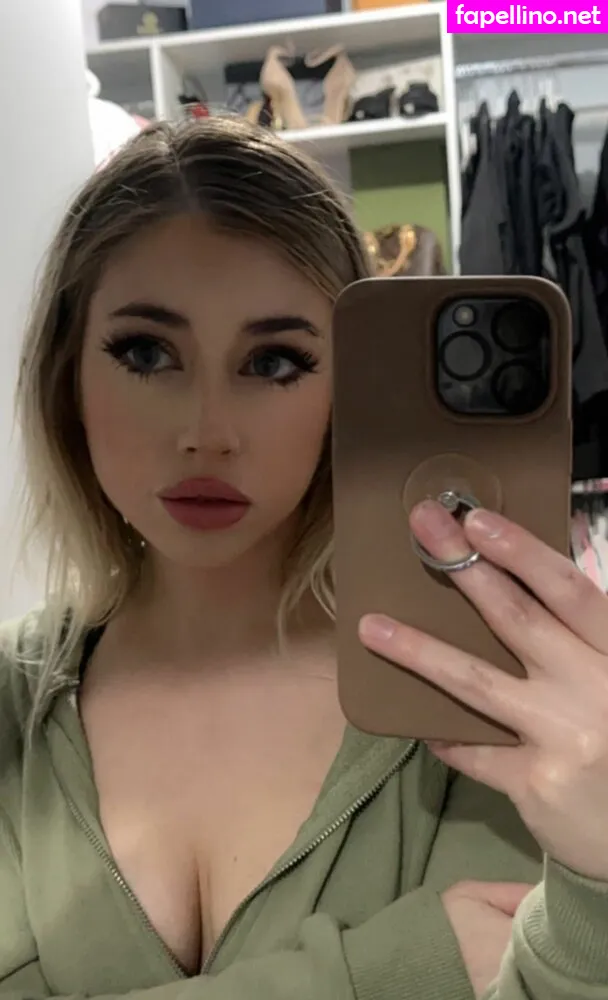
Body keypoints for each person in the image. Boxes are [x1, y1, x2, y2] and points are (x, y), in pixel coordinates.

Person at [0, 116, 607, 1000]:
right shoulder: (12, 706)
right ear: (66, 378)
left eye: (274, 362)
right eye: (147, 353)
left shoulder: (462, 692)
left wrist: (597, 891)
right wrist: (386, 972)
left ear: (346, 390)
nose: (207, 433)